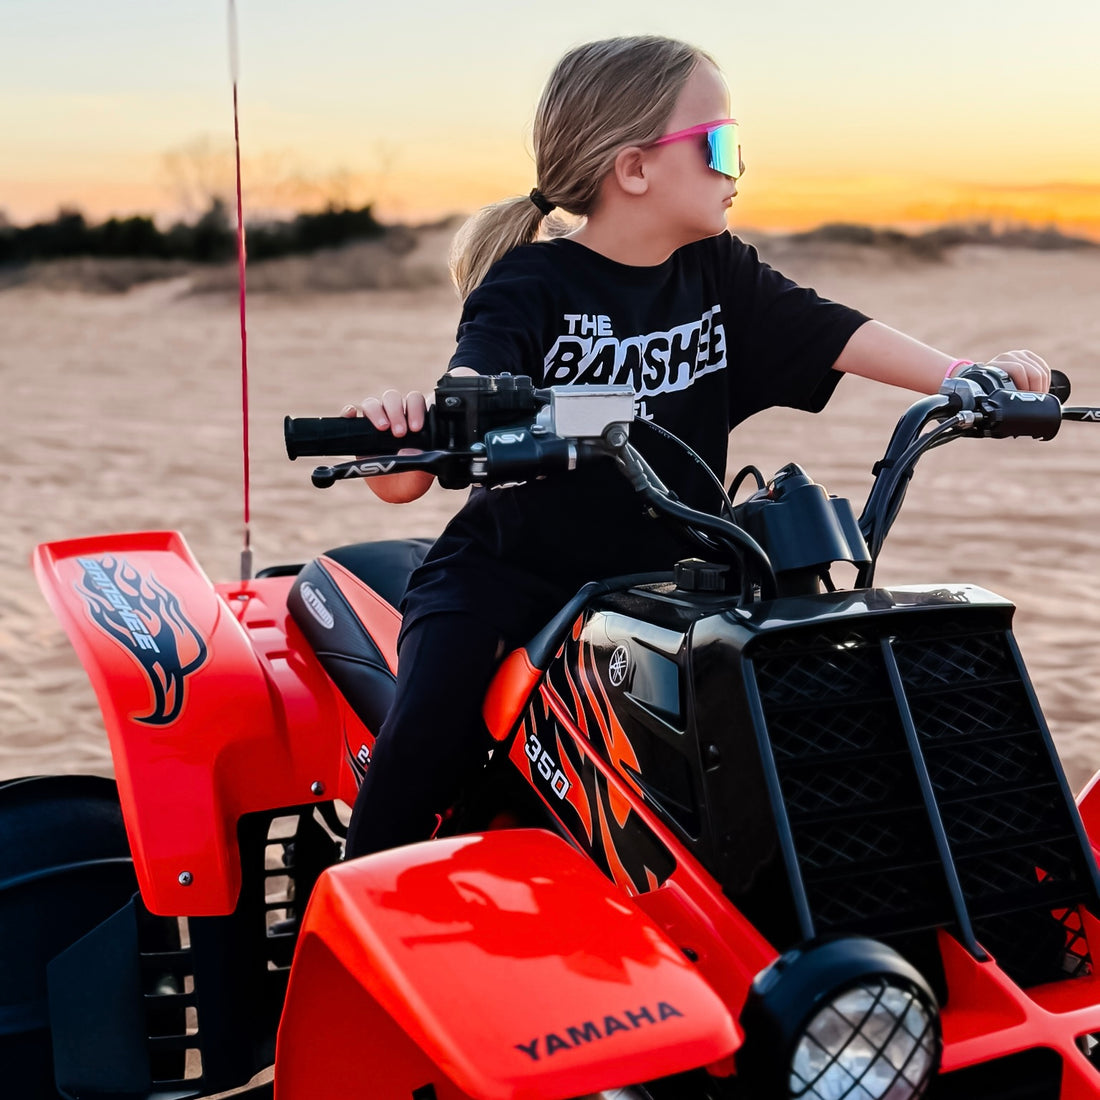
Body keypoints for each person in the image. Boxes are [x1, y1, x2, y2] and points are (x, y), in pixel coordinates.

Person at [340, 35, 1050, 859]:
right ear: (634, 169)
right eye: (717, 145)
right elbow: (458, 408)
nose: (735, 168)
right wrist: (412, 430)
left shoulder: (717, 272)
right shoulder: (530, 285)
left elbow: (831, 327)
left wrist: (966, 376)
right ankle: (356, 908)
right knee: (427, 741)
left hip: (677, 573)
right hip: (511, 575)